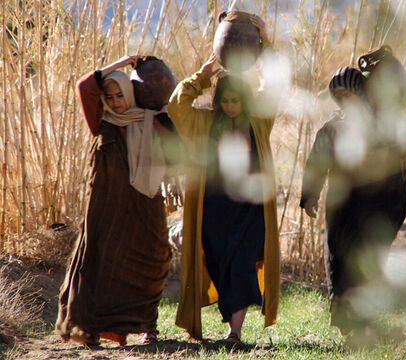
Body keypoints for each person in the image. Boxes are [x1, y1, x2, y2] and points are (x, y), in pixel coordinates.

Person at [168, 16, 280, 348]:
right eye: (226, 101)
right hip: (214, 211)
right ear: (218, 101)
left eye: (237, 101)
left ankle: (235, 334)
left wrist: (265, 43)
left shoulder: (259, 122)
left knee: (243, 265)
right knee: (220, 266)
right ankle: (231, 327)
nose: (231, 107)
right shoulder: (203, 123)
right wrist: (202, 76)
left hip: (250, 208)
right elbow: (176, 106)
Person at [56, 55, 174, 346]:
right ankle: (93, 327)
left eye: (121, 95)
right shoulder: (101, 121)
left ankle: (148, 327)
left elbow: (177, 149)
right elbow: (85, 86)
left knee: (154, 260)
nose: (116, 101)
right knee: (102, 263)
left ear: (132, 93)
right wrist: (121, 63)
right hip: (107, 208)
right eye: (110, 96)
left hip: (145, 204)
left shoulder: (151, 119)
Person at [300, 65, 406, 338]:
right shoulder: (332, 127)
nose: (344, 101)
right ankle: (346, 323)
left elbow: (404, 157)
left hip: (375, 208)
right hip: (340, 208)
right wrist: (309, 196)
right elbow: (316, 163)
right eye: (338, 97)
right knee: (337, 258)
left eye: (349, 94)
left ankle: (364, 320)